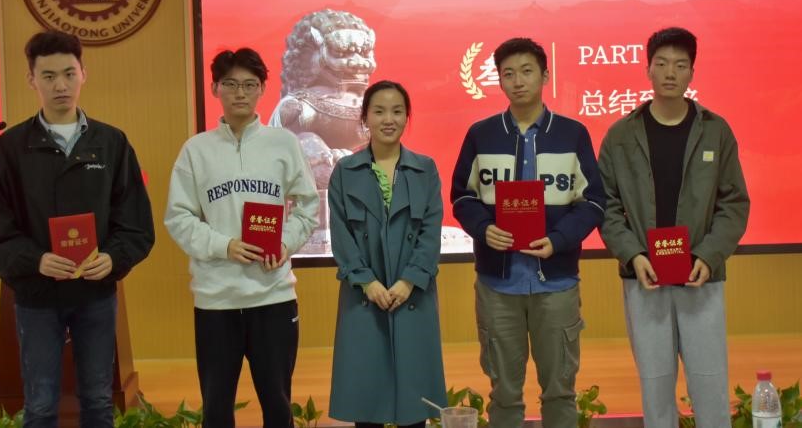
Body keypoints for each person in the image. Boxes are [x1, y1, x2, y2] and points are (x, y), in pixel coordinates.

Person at [0, 31, 155, 428]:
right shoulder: (10, 148)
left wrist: (112, 257)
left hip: (96, 294)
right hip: (37, 297)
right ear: (32, 80)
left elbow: (136, 223)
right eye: (49, 75)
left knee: (98, 400)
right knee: (40, 404)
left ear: (83, 74)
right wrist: (36, 260)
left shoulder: (111, 143)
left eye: (69, 74)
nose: (60, 85)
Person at [598, 27, 750, 428]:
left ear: (692, 73)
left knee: (710, 386)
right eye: (662, 64)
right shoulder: (621, 135)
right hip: (644, 278)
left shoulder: (715, 130)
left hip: (701, 278)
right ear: (648, 69)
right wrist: (632, 254)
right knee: (655, 388)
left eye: (680, 65)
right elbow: (606, 206)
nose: (670, 73)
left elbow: (734, 203)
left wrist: (708, 255)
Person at [450, 38, 605, 428]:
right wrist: (484, 228)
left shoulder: (572, 134)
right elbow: (462, 197)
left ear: (545, 76)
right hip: (498, 286)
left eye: (526, 71)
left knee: (560, 392)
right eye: (508, 74)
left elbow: (593, 201)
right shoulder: (481, 134)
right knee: (503, 394)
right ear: (499, 80)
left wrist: (560, 239)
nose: (517, 81)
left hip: (556, 284)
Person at [165, 48, 319, 428]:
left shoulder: (284, 144)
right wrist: (225, 246)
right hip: (216, 300)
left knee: (278, 407)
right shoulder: (196, 150)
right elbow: (178, 217)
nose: (240, 93)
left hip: (274, 296)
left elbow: (307, 206)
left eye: (250, 85)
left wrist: (284, 243)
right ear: (215, 88)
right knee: (217, 410)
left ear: (263, 89)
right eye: (231, 84)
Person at [328, 80, 447, 428]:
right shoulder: (345, 171)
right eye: (379, 111)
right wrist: (367, 282)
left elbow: (431, 232)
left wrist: (409, 281)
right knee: (368, 403)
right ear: (365, 117)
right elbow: (341, 236)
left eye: (397, 111)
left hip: (413, 295)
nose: (388, 119)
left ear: (407, 117)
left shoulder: (425, 169)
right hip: (364, 297)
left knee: (415, 404)